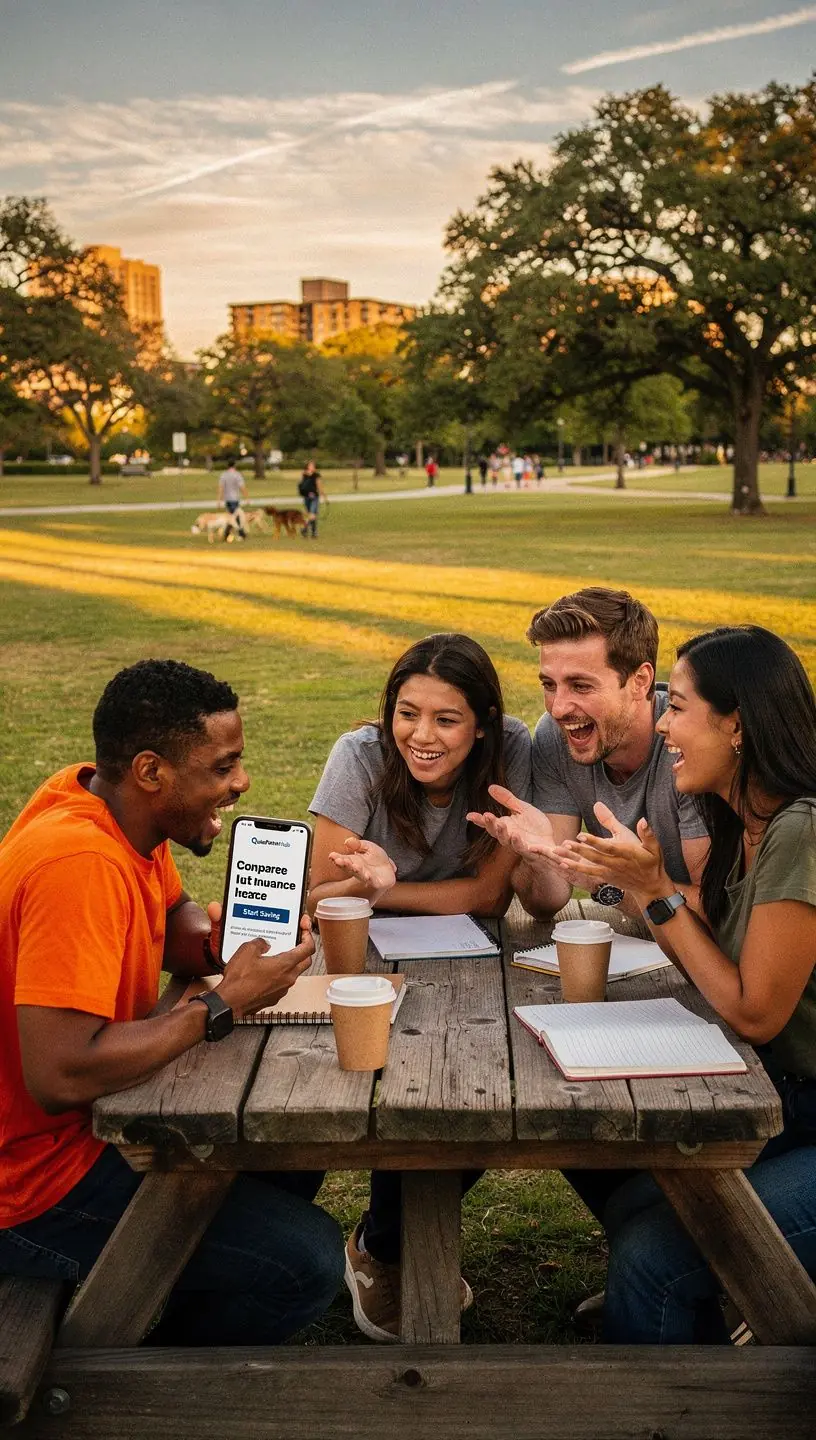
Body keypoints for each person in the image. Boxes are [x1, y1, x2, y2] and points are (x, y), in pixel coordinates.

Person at [0, 659, 343, 1346]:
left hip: (86, 1139)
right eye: (222, 767)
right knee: (304, 1261)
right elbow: (61, 1073)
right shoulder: (79, 866)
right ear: (152, 772)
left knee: (292, 1153)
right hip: (34, 1188)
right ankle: (136, 1388)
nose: (241, 783)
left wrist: (230, 944)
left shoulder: (108, 807)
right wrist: (223, 1005)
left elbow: (175, 921)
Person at [550, 626, 816, 1344]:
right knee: (633, 1184)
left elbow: (755, 1011)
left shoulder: (801, 830)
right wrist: (636, 884)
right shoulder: (748, 825)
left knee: (653, 1256)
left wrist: (653, 887)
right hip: (780, 1098)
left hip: (801, 1106)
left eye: (682, 706)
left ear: (737, 724)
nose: (664, 722)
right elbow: (698, 936)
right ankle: (712, 1319)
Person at [307, 632, 533, 1342]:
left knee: (485, 1087)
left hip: (474, 956)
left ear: (484, 724)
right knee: (369, 1078)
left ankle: (382, 1241)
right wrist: (364, 890)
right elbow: (317, 889)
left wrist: (385, 887)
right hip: (361, 960)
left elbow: (491, 895)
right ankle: (385, 1246)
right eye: (408, 713)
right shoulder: (360, 756)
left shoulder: (514, 749)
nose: (421, 736)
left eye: (446, 719)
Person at [468, 588, 709, 922]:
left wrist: (609, 882)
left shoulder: (688, 746)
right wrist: (541, 857)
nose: (559, 708)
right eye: (549, 685)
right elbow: (546, 902)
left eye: (580, 686)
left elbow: (717, 912)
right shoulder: (556, 737)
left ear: (640, 681)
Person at [217, 458, 247, 540]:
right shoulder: (237, 475)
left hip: (227, 500)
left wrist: (219, 500)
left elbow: (221, 488)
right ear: (235, 465)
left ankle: (227, 534)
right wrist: (246, 498)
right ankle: (241, 534)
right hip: (235, 499)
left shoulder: (224, 475)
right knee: (234, 517)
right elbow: (242, 487)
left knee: (231, 517)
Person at [298, 460, 325, 539]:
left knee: (312, 514)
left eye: (313, 466)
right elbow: (301, 485)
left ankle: (308, 530)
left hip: (314, 497)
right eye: (311, 465)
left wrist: (322, 496)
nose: (312, 467)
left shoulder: (316, 475)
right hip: (307, 497)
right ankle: (311, 531)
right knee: (311, 515)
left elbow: (319, 486)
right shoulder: (305, 474)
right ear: (308, 466)